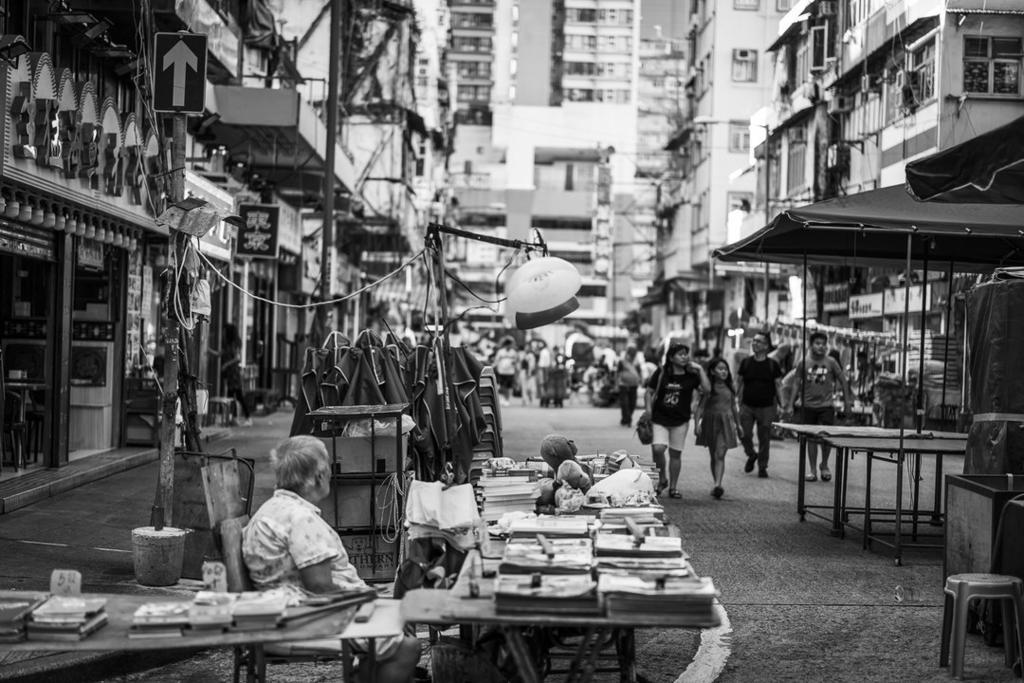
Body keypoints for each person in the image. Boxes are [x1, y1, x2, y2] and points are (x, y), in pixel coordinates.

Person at [242, 436, 420, 683]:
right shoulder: (298, 518)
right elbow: (319, 585)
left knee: (398, 621)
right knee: (408, 646)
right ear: (319, 476)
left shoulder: (273, 510)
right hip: (308, 616)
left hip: (302, 611)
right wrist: (368, 599)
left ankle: (365, 673)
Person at [642, 341, 710, 499]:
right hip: (660, 418)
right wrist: (648, 409)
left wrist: (700, 369)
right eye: (680, 354)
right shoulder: (661, 372)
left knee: (675, 454)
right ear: (671, 357)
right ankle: (662, 478)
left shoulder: (692, 375)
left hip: (681, 420)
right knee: (658, 448)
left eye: (686, 353)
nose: (685, 357)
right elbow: (649, 392)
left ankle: (673, 487)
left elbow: (707, 390)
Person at [782, 331, 853, 483]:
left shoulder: (831, 362)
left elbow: (843, 381)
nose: (821, 347)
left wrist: (847, 402)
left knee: (826, 437)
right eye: (817, 343)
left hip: (826, 406)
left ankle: (825, 464)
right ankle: (813, 469)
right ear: (811, 345)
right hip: (807, 406)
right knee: (812, 438)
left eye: (823, 344)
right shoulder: (803, 363)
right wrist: (789, 405)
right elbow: (796, 384)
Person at [736, 332, 785, 479]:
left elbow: (778, 386)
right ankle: (751, 454)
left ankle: (762, 467)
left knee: (764, 437)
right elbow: (739, 382)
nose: (754, 343)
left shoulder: (772, 365)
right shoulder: (746, 363)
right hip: (747, 405)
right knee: (744, 434)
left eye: (758, 341)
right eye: (753, 341)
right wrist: (734, 400)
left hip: (767, 407)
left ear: (766, 346)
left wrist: (783, 405)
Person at [695, 358, 744, 499]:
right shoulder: (708, 388)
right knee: (713, 454)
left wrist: (739, 424)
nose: (724, 371)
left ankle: (718, 484)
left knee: (720, 453)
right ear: (712, 371)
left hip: (726, 423)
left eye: (725, 369)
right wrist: (697, 423)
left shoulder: (730, 387)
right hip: (710, 422)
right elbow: (701, 407)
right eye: (720, 369)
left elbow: (734, 407)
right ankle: (716, 483)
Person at [218, 323, 252, 427]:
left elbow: (237, 358)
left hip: (235, 374)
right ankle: (234, 418)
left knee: (238, 396)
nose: (223, 333)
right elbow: (221, 353)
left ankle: (246, 417)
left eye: (224, 331)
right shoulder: (228, 344)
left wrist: (226, 365)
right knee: (231, 396)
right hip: (231, 374)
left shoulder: (234, 344)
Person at [615, 347, 643, 427]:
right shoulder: (622, 362)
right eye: (630, 355)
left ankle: (626, 418)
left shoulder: (637, 363)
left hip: (634, 385)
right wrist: (616, 384)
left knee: (632, 403)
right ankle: (627, 419)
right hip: (623, 384)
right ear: (627, 354)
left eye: (633, 355)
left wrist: (641, 381)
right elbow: (617, 373)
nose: (631, 357)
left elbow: (639, 373)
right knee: (624, 403)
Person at [493, 338, 518, 406]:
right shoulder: (501, 351)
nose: (510, 346)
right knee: (502, 385)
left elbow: (516, 361)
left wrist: (514, 363)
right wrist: (493, 367)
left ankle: (507, 399)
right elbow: (496, 361)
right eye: (509, 345)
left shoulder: (513, 352)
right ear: (506, 345)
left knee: (508, 386)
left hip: (510, 372)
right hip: (501, 371)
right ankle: (503, 398)